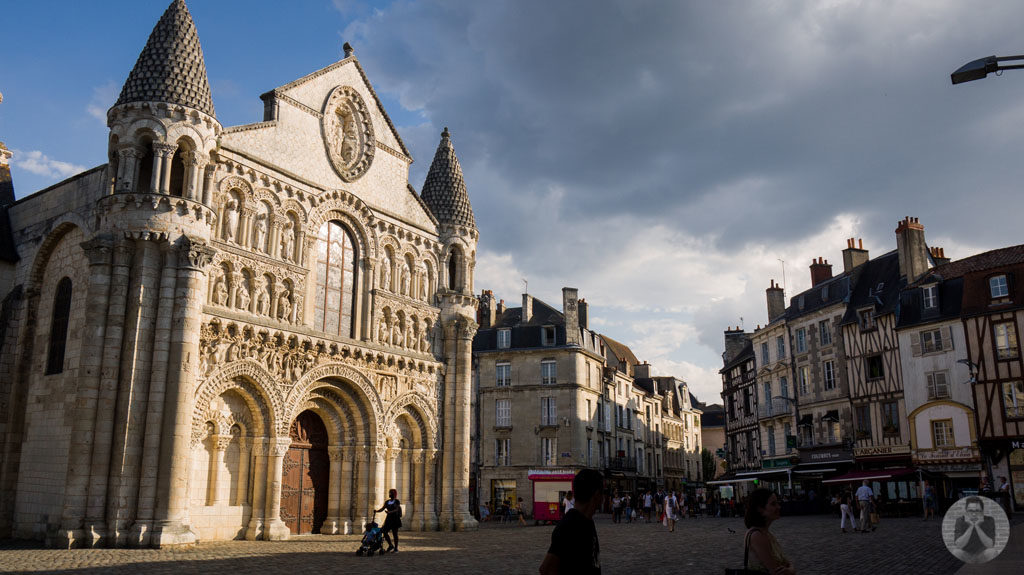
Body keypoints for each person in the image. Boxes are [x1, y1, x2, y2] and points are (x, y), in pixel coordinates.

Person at [539, 469, 603, 575]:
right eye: (603, 492)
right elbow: (546, 569)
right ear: (596, 495)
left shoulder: (588, 521)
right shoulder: (569, 525)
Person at [744, 488, 796, 575]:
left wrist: (791, 569)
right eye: (773, 504)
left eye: (777, 503)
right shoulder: (757, 535)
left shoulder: (766, 533)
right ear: (760, 509)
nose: (778, 507)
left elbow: (786, 563)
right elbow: (776, 571)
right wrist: (792, 570)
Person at [952, 496, 997, 563]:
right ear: (966, 511)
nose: (974, 514)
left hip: (982, 554)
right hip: (967, 555)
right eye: (970, 511)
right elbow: (959, 545)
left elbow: (990, 545)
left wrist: (977, 526)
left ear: (982, 511)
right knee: (956, 552)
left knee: (992, 552)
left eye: (977, 511)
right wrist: (970, 527)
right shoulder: (960, 520)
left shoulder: (989, 520)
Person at [375, 488, 403, 553]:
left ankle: (396, 548)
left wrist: (390, 512)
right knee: (384, 532)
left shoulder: (396, 501)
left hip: (395, 519)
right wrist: (377, 511)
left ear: (394, 494)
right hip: (389, 519)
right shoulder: (387, 502)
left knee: (395, 533)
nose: (390, 494)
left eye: (391, 493)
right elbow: (383, 508)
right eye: (389, 493)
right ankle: (390, 545)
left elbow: (397, 509)